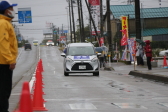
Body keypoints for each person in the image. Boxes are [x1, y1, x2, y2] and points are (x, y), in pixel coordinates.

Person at [0, 0, 18, 112]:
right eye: (11, 8)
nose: (13, 11)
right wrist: (10, 60)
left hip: (4, 62)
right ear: (7, 11)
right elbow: (3, 44)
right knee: (3, 91)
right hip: (3, 63)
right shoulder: (3, 23)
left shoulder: (6, 23)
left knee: (5, 90)